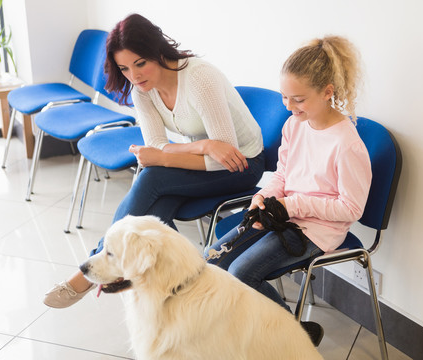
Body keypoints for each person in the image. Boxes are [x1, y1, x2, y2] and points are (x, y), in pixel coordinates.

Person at [43, 14, 264, 308]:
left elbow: (225, 155)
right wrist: (200, 146)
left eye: (140, 63)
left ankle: (93, 267)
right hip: (205, 159)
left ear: (158, 52)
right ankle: (181, 295)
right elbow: (158, 145)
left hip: (242, 164)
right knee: (155, 211)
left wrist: (167, 156)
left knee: (153, 177)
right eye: (124, 68)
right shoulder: (142, 89)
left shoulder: (199, 78)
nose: (134, 75)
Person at [207, 35, 372, 346]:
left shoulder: (346, 144)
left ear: (327, 92)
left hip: (320, 228)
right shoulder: (294, 125)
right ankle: (266, 328)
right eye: (285, 97)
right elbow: (283, 174)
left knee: (241, 272)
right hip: (285, 214)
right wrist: (262, 198)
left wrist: (292, 206)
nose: (289, 106)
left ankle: (293, 335)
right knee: (212, 260)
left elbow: (351, 209)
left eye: (298, 99)